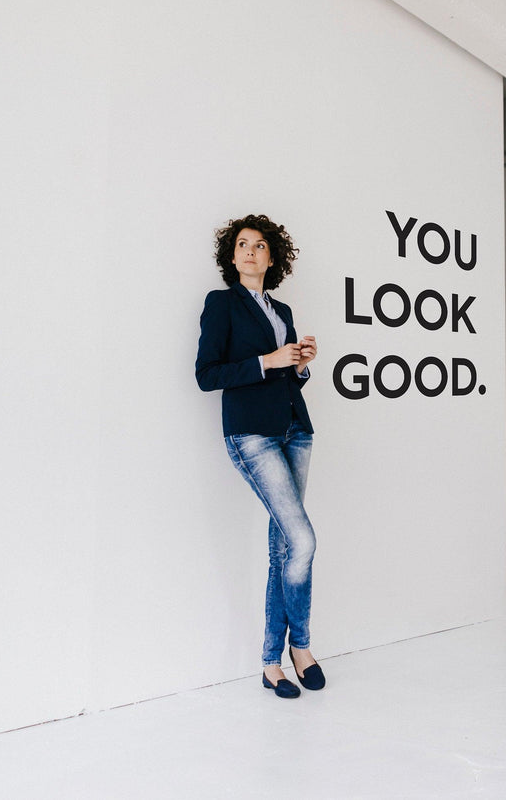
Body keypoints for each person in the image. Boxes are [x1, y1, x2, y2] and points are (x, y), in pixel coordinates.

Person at [195, 214, 324, 699]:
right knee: (303, 539)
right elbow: (207, 374)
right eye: (243, 245)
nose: (251, 251)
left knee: (284, 549)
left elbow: (285, 376)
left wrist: (300, 366)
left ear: (273, 257)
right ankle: (303, 647)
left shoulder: (282, 310)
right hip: (251, 434)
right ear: (232, 256)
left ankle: (272, 662)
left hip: (295, 429)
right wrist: (267, 361)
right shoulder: (221, 304)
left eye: (261, 245)